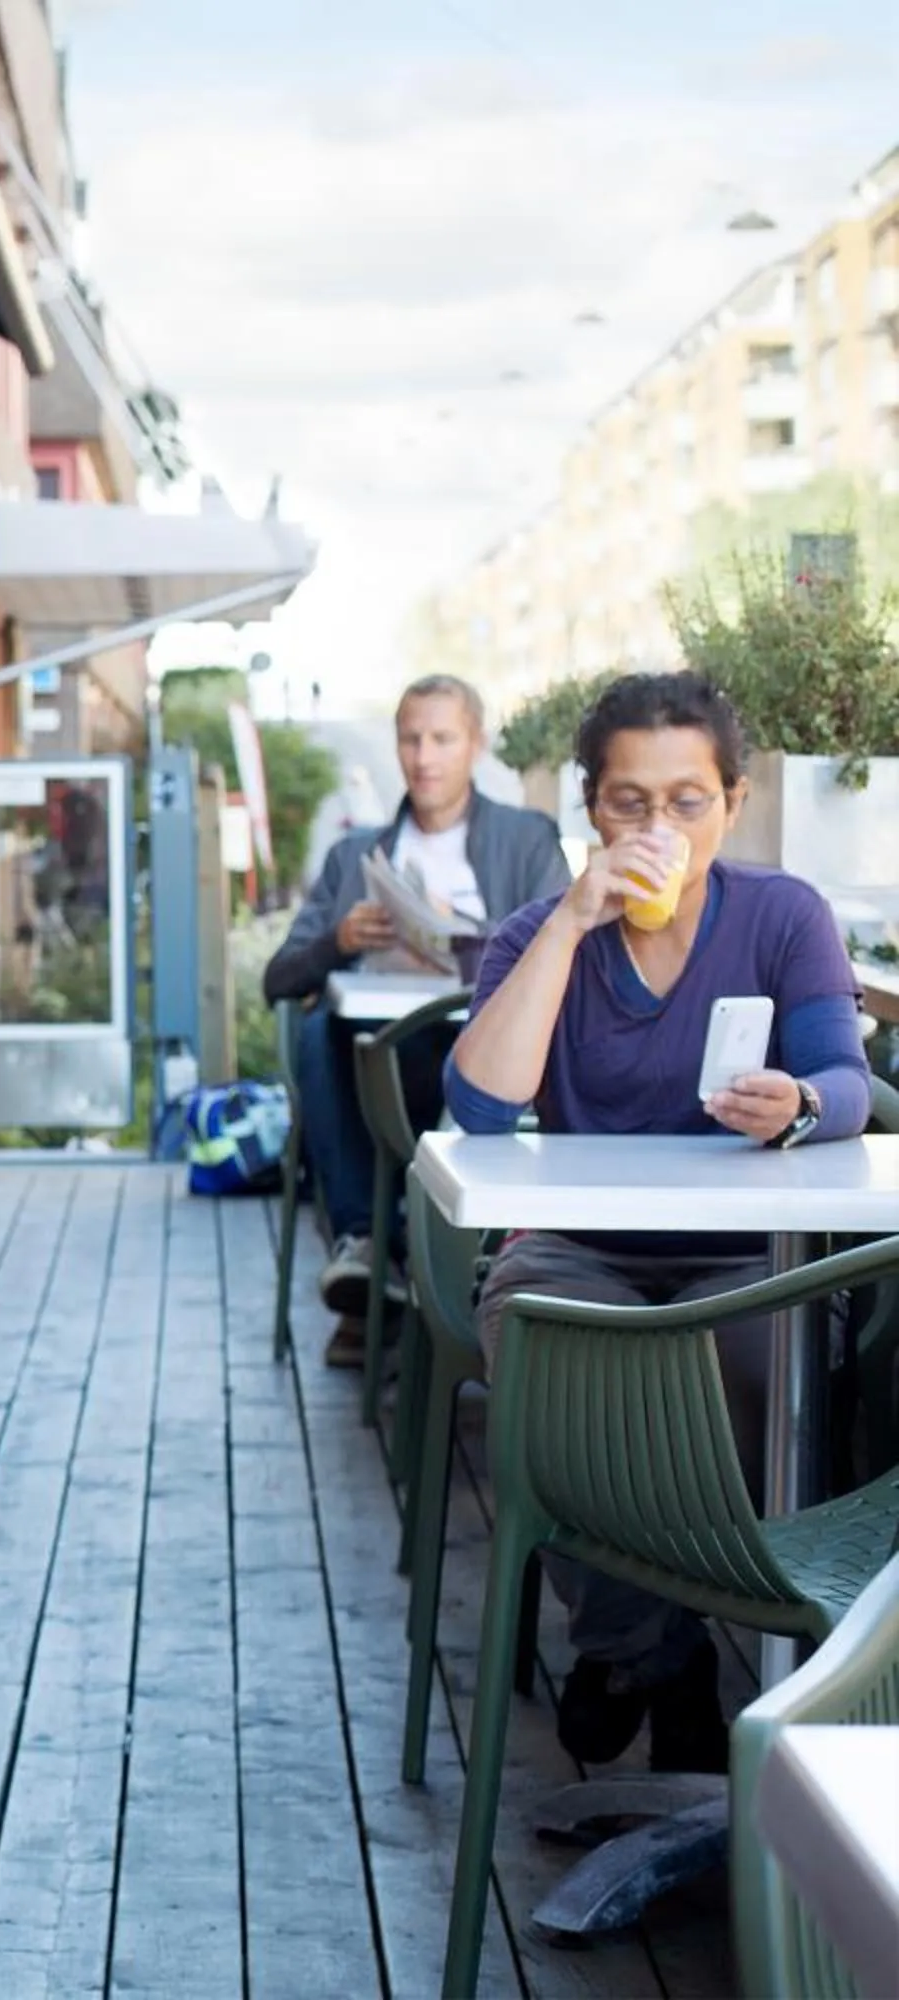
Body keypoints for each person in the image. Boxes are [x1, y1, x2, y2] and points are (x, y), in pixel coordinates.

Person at [445, 670, 867, 1772]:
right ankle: (651, 1645)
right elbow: (484, 1105)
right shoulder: (544, 929)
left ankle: (652, 1644)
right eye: (630, 800)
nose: (658, 826)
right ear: (592, 807)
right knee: (561, 1365)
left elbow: (846, 1080)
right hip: (578, 1253)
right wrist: (573, 922)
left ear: (731, 803)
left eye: (687, 800)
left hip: (754, 1259)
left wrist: (804, 1104)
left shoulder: (783, 916)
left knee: (735, 1370)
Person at [262, 673, 569, 1355]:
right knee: (321, 1031)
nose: (424, 757)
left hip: (488, 1066)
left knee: (343, 1045)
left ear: (475, 745)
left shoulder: (525, 839)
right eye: (410, 739)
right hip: (378, 1066)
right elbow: (278, 976)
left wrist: (471, 938)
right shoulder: (355, 855)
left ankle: (383, 1281)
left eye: (442, 739)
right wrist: (339, 940)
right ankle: (365, 1245)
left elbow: (567, 948)